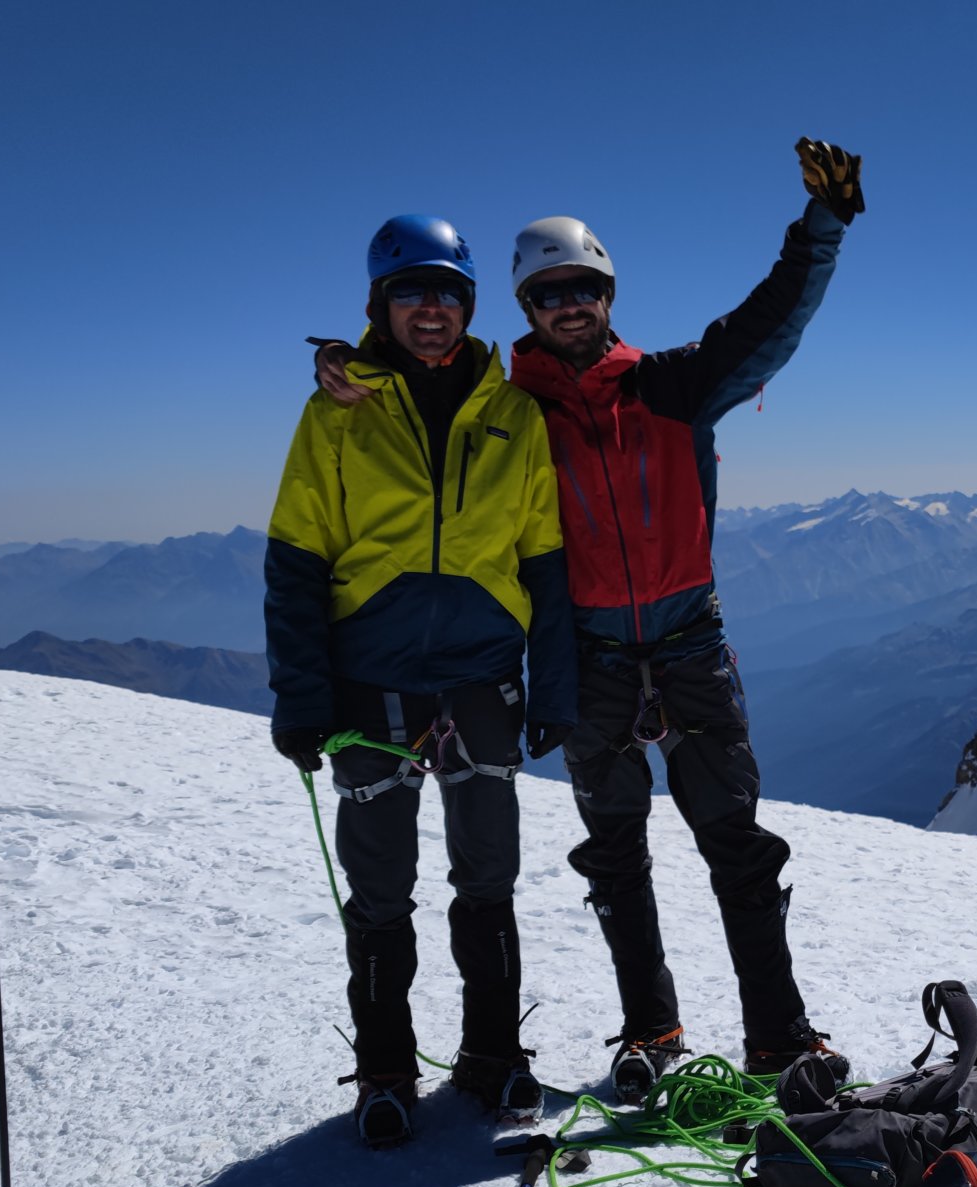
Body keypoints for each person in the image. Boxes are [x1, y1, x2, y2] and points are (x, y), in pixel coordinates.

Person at [315, 139, 864, 1104]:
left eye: (584, 287)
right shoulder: (509, 407)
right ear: (526, 309)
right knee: (617, 856)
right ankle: (650, 1030)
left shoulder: (674, 383)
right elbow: (419, 378)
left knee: (735, 844)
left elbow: (774, 321)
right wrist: (346, 366)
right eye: (548, 294)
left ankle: (778, 1037)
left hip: (689, 645)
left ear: (608, 293)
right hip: (594, 662)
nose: (569, 304)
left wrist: (821, 227)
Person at [267, 214, 575, 1145]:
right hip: (374, 680)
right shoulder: (334, 413)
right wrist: (302, 696)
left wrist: (553, 685)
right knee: (379, 891)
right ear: (380, 306)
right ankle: (387, 1069)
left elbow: (545, 559)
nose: (429, 309)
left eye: (446, 292)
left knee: (489, 881)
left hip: (483, 678)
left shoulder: (512, 414)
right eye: (411, 292)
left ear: (470, 305)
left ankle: (491, 1056)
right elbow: (298, 560)